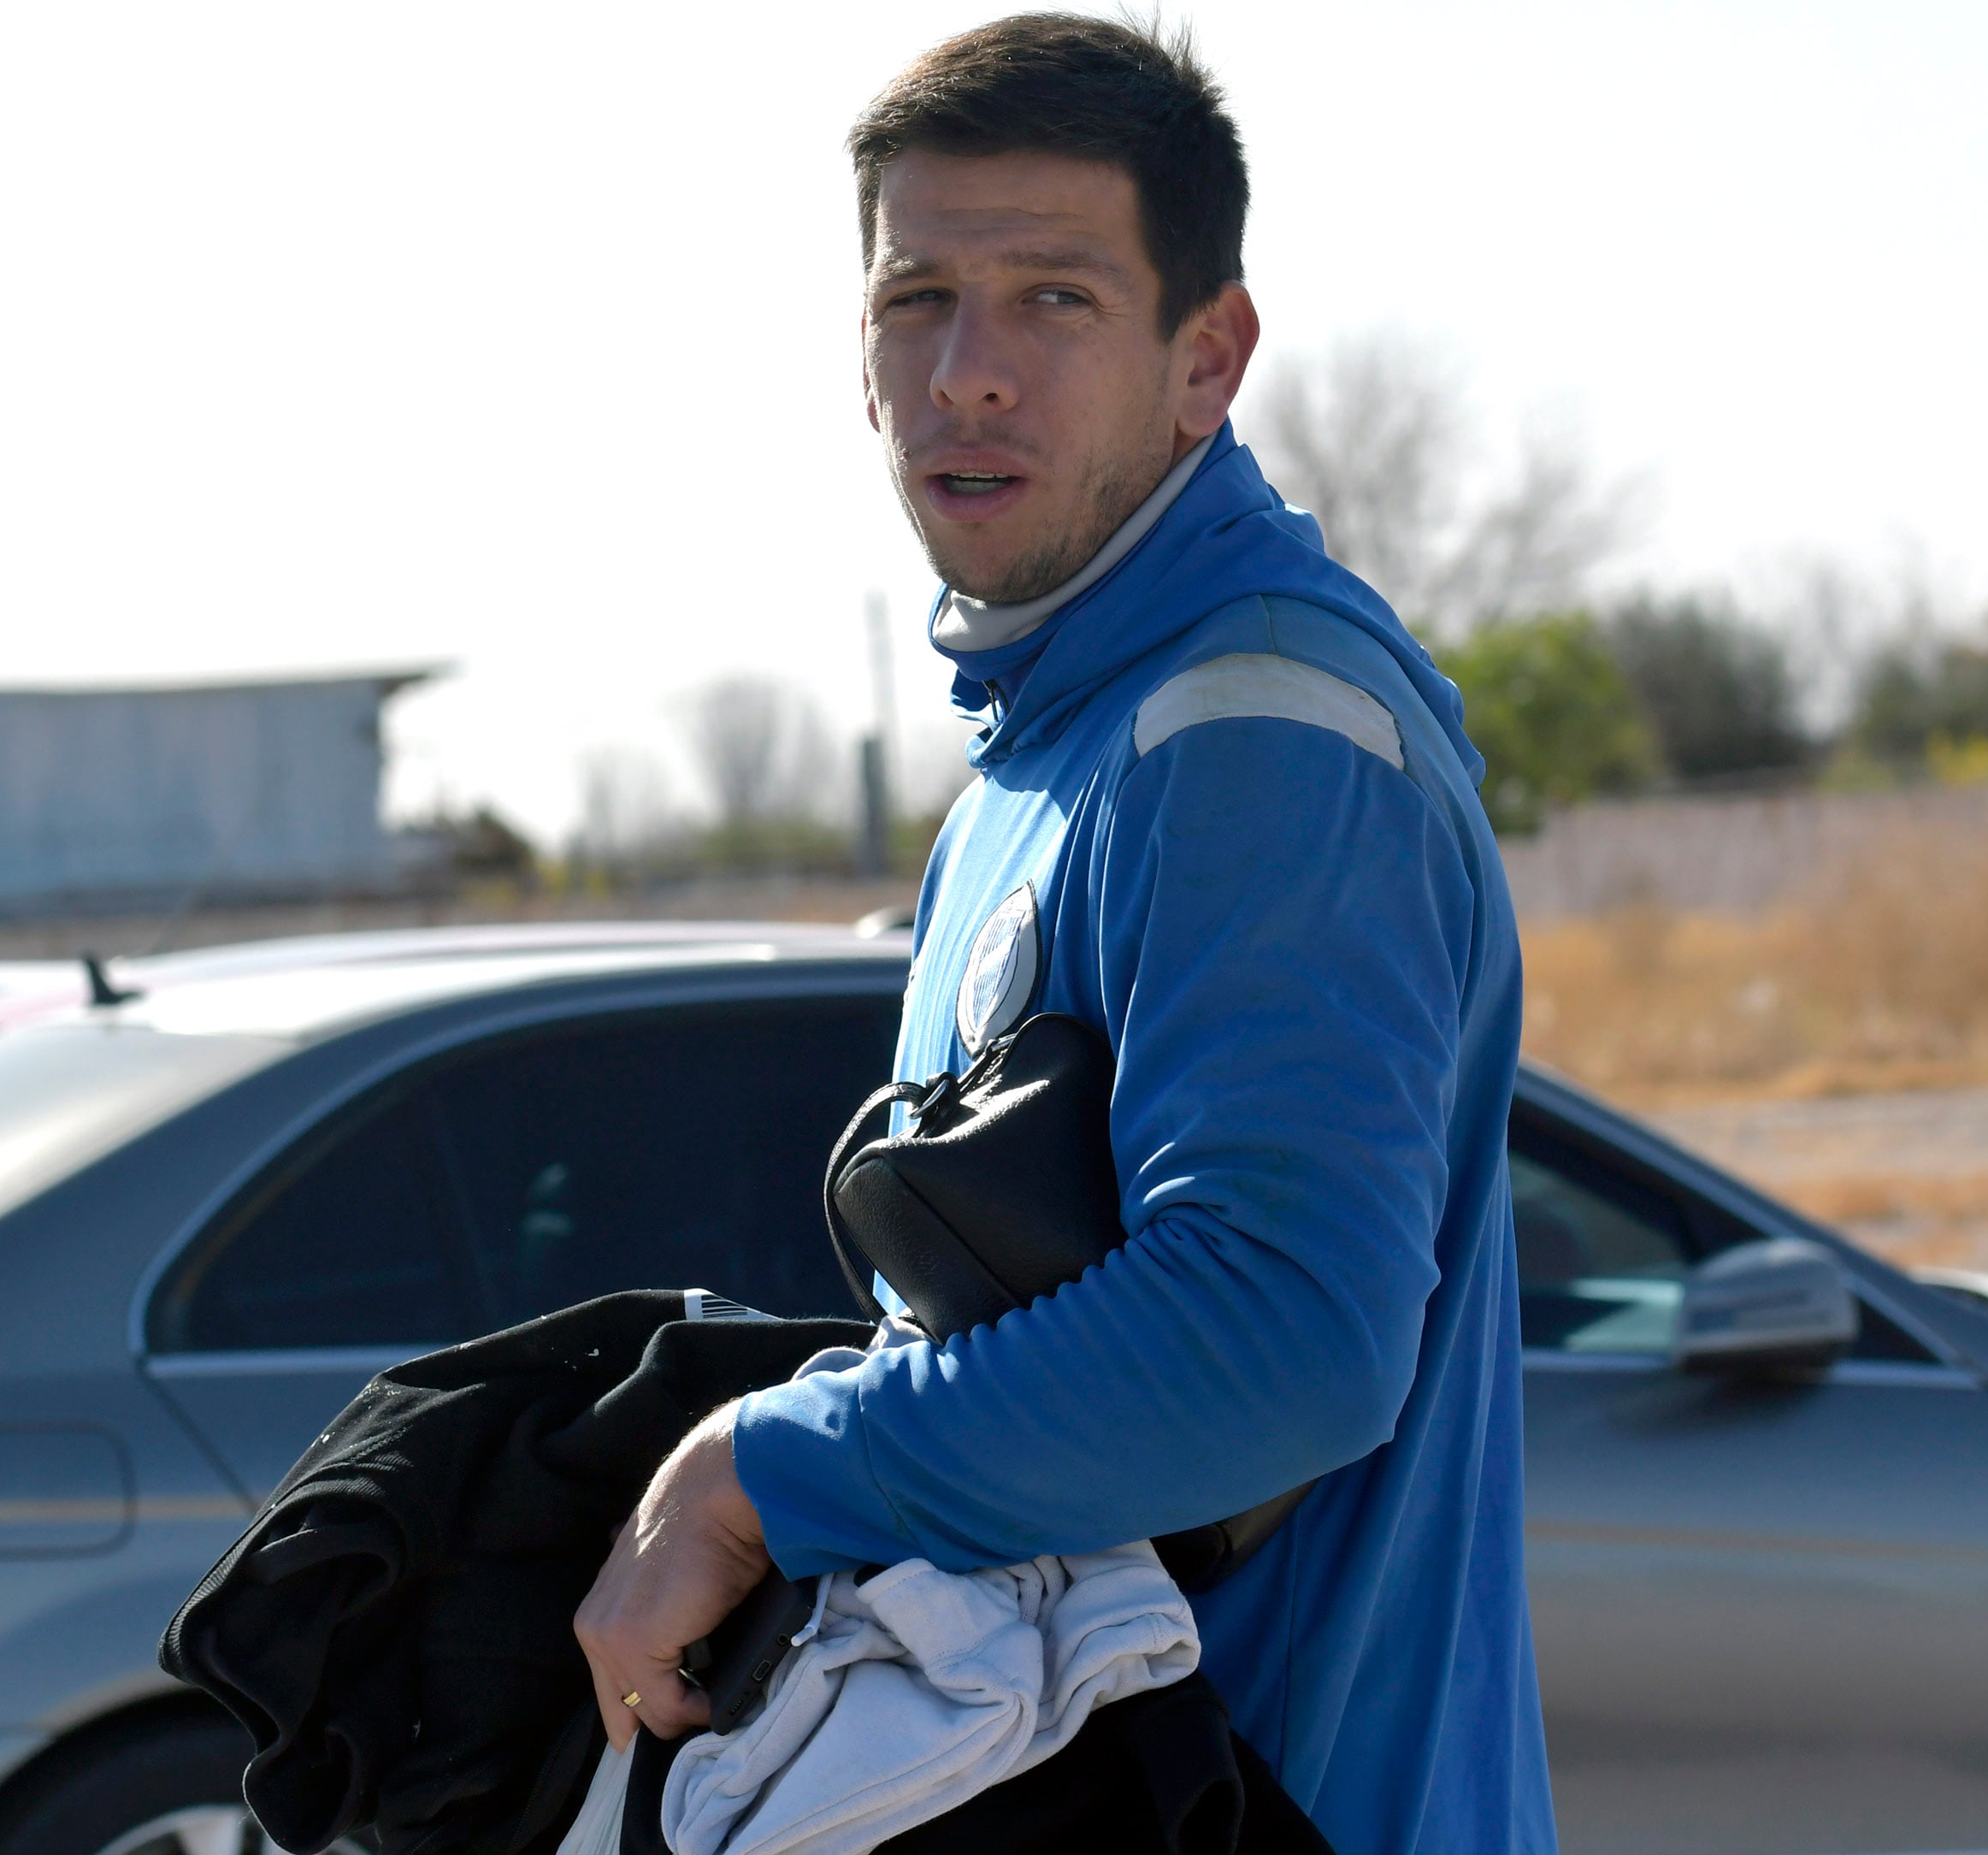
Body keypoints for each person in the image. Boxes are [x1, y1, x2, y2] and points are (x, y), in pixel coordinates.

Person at [575, 15, 1556, 1851]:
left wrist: (749, 1474)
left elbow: (1281, 1329)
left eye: (1052, 299)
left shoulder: (1254, 730)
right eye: (916, 297)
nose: (969, 374)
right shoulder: (1044, 752)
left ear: (1208, 359)